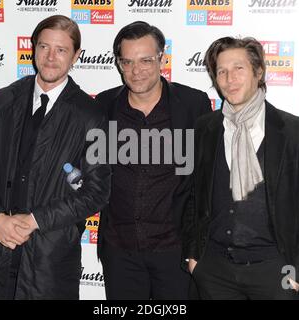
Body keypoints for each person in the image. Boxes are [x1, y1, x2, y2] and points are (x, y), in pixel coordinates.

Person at [0, 15, 111, 299]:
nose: (50, 57)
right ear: (33, 48)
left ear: (76, 56)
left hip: (50, 262)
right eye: (44, 47)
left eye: (61, 50)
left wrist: (35, 220)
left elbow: (96, 191)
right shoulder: (1, 102)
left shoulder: (92, 116)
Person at [183, 36, 299, 300]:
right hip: (215, 272)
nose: (230, 78)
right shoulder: (204, 129)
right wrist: (195, 259)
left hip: (276, 271)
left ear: (258, 71)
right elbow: (193, 199)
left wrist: (297, 275)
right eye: (222, 71)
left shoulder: (295, 132)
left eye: (239, 68)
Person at [95, 21, 211, 300]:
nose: (137, 71)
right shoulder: (103, 105)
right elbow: (89, 169)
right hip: (119, 251)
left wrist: (197, 246)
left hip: (176, 251)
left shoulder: (193, 104)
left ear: (162, 58)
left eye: (146, 60)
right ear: (119, 64)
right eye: (128, 62)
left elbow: (205, 180)